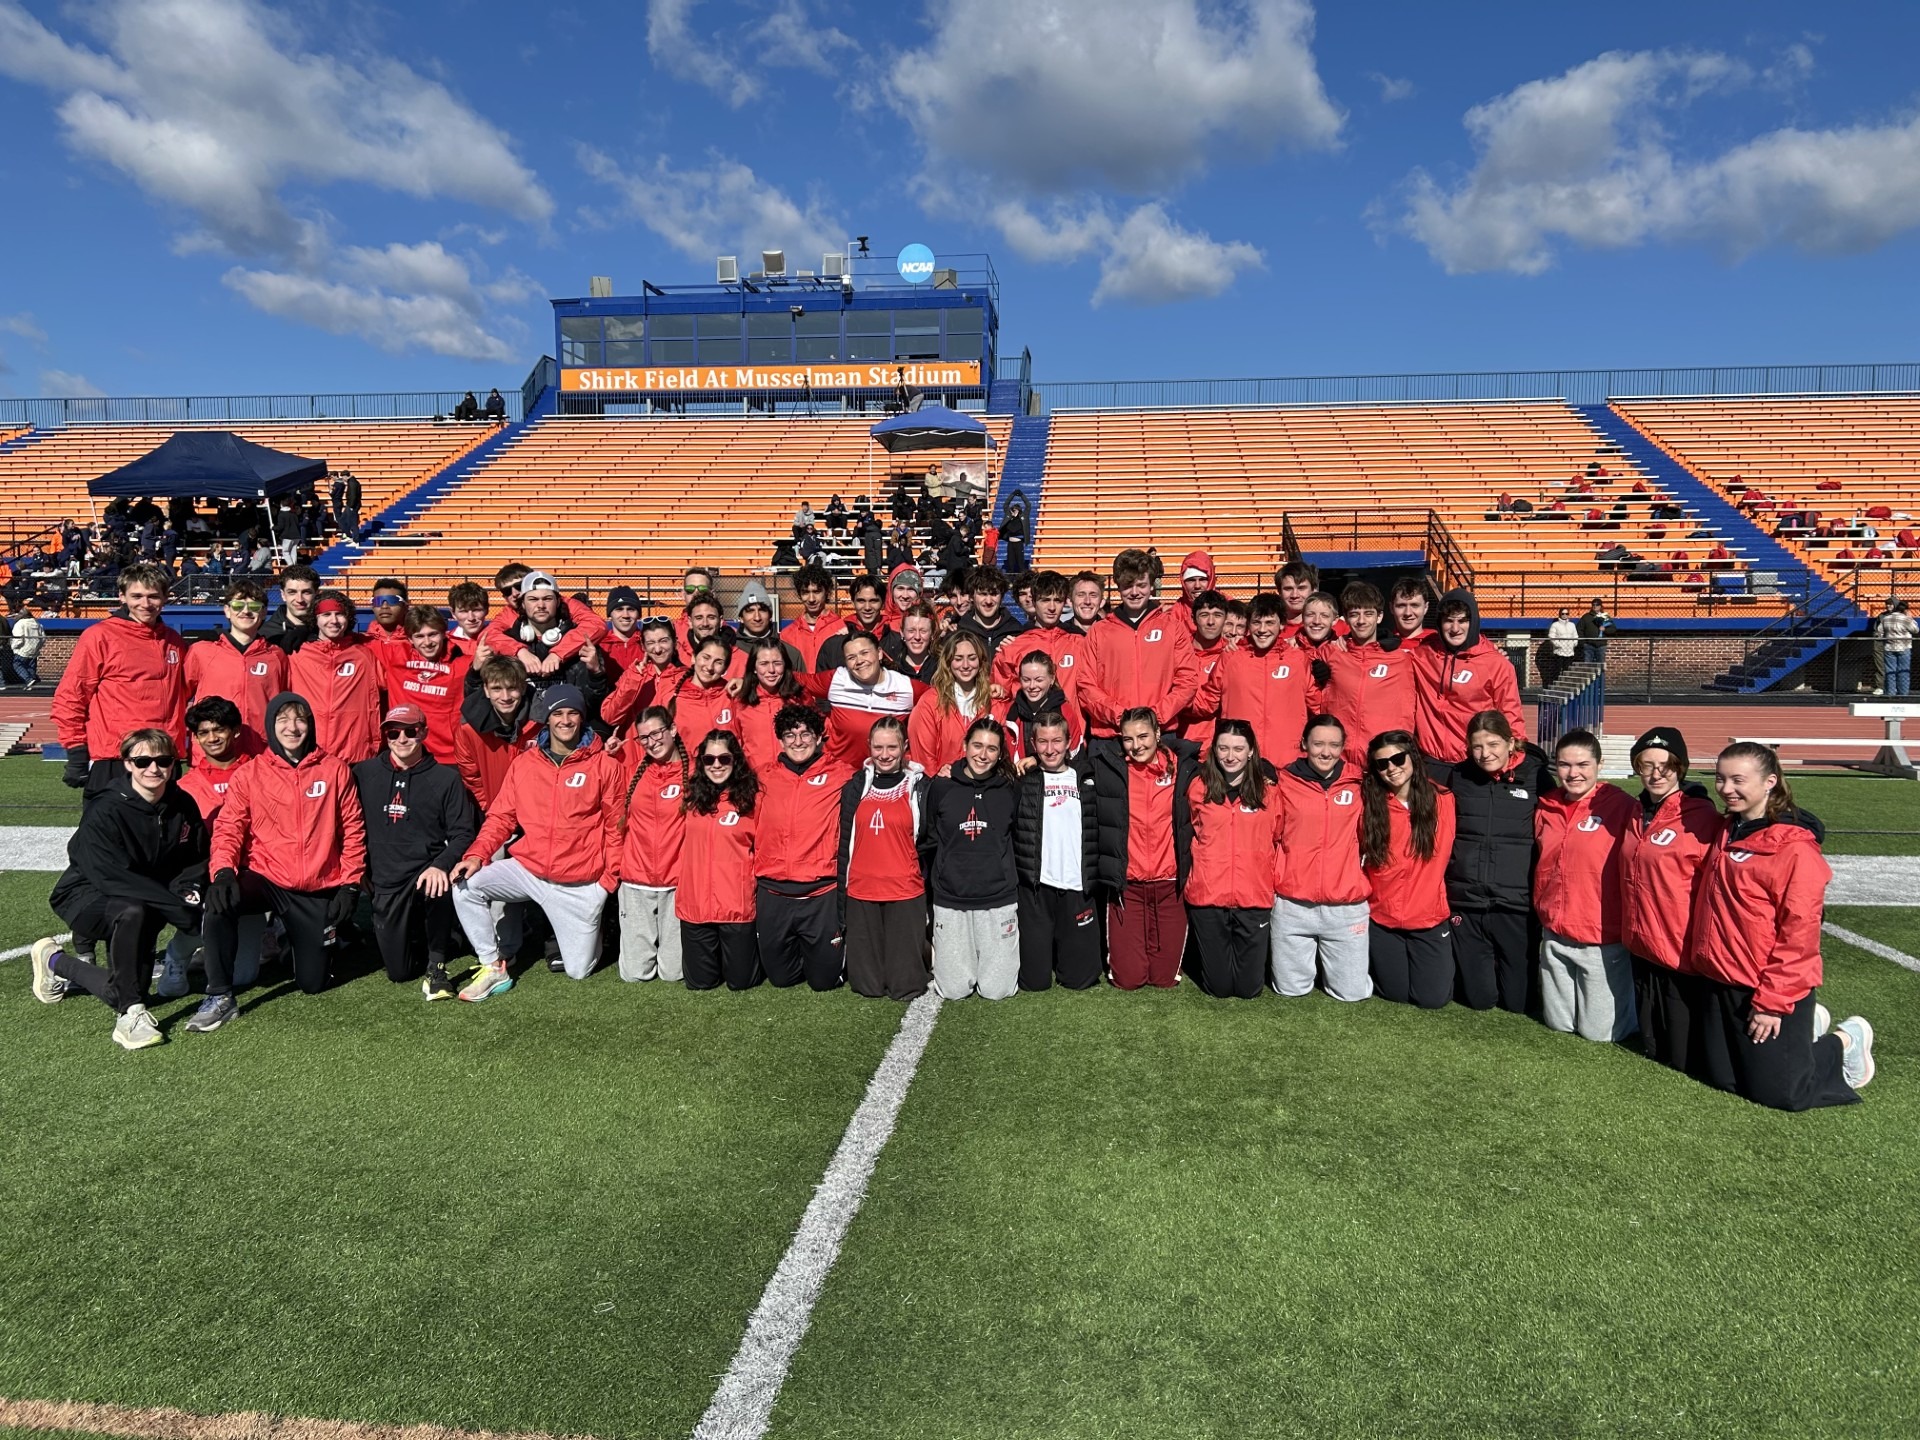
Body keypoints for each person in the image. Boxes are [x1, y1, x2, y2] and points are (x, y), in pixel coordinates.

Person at [1688, 743, 1874, 1109]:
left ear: (1770, 781)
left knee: (1783, 1094)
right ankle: (1806, 1031)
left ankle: (1845, 1040)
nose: (1726, 789)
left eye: (1738, 780)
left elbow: (1800, 935)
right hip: (1720, 975)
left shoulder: (1796, 849)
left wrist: (1773, 1002)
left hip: (1766, 985)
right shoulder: (1728, 829)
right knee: (1724, 1078)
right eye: (1721, 779)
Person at [28, 728, 209, 1050]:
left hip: (145, 897)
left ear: (173, 763)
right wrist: (175, 907)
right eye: (142, 761)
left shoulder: (182, 803)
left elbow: (195, 858)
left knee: (123, 987)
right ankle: (130, 1018)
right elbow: (111, 876)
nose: (153, 769)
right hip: (87, 896)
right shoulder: (106, 808)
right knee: (132, 911)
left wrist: (189, 891)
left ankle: (54, 962)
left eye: (163, 760)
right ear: (127, 763)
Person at [199, 692, 368, 1027]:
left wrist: (350, 885)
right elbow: (229, 827)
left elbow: (353, 830)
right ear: (270, 726)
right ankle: (219, 994)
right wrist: (222, 872)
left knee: (313, 984)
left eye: (300, 719)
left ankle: (292, 938)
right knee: (219, 902)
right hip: (267, 876)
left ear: (311, 724)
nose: (293, 728)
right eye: (283, 720)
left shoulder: (335, 770)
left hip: (315, 887)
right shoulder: (250, 774)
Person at [449, 685, 624, 999]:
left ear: (582, 718)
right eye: (558, 713)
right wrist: (476, 855)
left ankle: (591, 928)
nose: (566, 720)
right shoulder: (525, 763)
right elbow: (501, 816)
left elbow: (616, 827)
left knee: (578, 971)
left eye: (573, 713)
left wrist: (607, 883)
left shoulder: (605, 766)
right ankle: (493, 967)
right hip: (529, 870)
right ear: (547, 718)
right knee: (464, 886)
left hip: (579, 883)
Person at [352, 703, 478, 999]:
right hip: (384, 879)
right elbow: (346, 825)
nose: (402, 738)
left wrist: (441, 864)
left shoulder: (446, 778)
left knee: (439, 884)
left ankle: (437, 964)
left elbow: (463, 833)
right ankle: (441, 936)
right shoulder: (362, 773)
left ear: (423, 732)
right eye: (393, 732)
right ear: (385, 735)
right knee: (400, 972)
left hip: (425, 872)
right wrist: (357, 868)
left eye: (410, 731)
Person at [1620, 726, 1719, 1072]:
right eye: (1647, 765)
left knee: (1683, 1054)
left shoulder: (1701, 816)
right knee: (1653, 1045)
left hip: (1678, 944)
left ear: (1681, 767)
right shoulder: (1634, 811)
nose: (1656, 773)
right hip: (1640, 940)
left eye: (1666, 765)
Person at [1438, 710, 1549, 1013]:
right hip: (1468, 900)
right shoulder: (1458, 776)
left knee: (1518, 1003)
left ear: (1511, 743)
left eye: (1493, 744)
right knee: (1479, 1000)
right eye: (1477, 746)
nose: (1485, 754)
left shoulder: (1536, 777)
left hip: (1515, 904)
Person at [1534, 728, 1639, 1042]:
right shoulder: (1546, 806)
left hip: (1600, 934)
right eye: (1565, 765)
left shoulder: (1621, 806)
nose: (1573, 773)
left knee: (1598, 1033)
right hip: (1554, 929)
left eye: (1582, 765)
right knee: (1558, 1024)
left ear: (1599, 765)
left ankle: (1628, 1006)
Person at [51, 562, 188, 800]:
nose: (145, 604)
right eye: (137, 596)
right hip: (116, 759)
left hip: (164, 757)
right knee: (105, 836)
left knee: (163, 835)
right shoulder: (100, 636)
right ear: (121, 596)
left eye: (153, 596)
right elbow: (71, 696)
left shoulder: (174, 640)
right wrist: (76, 750)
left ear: (166, 597)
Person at [1269, 714, 1370, 1002]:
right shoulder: (1283, 782)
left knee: (1351, 994)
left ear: (1343, 747)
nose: (1326, 752)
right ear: (1304, 744)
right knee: (1289, 990)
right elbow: (1273, 834)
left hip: (1345, 905)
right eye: (1318, 744)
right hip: (1293, 904)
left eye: (1334, 745)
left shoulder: (1359, 782)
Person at [1093, 709, 1196, 990]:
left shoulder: (1184, 766)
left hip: (1169, 886)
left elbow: (1229, 764)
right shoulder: (1109, 767)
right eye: (1128, 739)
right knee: (1128, 980)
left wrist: (1268, 770)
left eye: (1143, 736)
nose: (1136, 745)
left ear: (1158, 734)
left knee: (1164, 980)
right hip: (1129, 888)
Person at [920, 716, 1021, 1000]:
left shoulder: (1010, 787)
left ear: (1000, 753)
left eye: (991, 749)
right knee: (952, 990)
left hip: (997, 897)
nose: (983, 754)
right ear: (964, 745)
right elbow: (929, 838)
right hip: (952, 899)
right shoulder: (941, 786)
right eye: (977, 745)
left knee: (997, 990)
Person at [751, 705, 852, 990]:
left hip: (820, 891)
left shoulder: (841, 774)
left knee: (824, 981)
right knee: (781, 980)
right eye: (789, 735)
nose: (798, 742)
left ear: (819, 736)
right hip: (774, 891)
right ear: (780, 740)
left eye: (805, 734)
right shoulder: (763, 777)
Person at [1178, 719, 1279, 1000]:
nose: (1230, 756)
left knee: (1249, 990)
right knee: (1219, 988)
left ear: (1251, 752)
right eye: (1223, 748)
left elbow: (1279, 836)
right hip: (1208, 896)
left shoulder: (1269, 792)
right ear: (1214, 750)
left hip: (1253, 897)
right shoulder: (1197, 787)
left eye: (1238, 748)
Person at [837, 717, 932, 1000]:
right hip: (862, 888)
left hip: (904, 888)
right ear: (869, 747)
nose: (885, 754)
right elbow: (845, 841)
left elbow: (928, 838)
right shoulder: (856, 786)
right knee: (868, 986)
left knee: (906, 985)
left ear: (905, 747)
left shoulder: (920, 786)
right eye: (878, 747)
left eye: (892, 747)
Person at [1360, 731, 1455, 1009]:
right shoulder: (1370, 804)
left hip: (1428, 917)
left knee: (1432, 999)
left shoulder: (1442, 800)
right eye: (1382, 763)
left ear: (1412, 757)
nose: (1392, 768)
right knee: (1395, 993)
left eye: (1398, 758)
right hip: (1383, 918)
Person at [1011, 712, 1101, 991]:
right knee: (1033, 981)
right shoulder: (1023, 781)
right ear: (1033, 744)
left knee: (1080, 980)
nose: (1050, 749)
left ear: (1068, 742)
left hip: (1076, 886)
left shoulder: (1087, 778)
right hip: (1037, 889)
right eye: (1043, 742)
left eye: (1057, 741)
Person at [1077, 548, 1200, 740]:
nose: (1134, 592)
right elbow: (1086, 685)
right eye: (1128, 585)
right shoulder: (1099, 632)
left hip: (1160, 732)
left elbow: (1187, 680)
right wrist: (1122, 716)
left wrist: (1154, 716)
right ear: (1117, 586)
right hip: (1111, 736)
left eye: (1141, 585)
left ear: (1152, 586)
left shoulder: (1173, 628)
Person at [676, 729, 761, 990]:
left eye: (724, 759)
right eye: (709, 759)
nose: (716, 765)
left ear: (735, 760)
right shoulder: (690, 799)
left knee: (741, 983)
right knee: (700, 983)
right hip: (696, 906)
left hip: (735, 905)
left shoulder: (753, 799)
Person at [616, 708, 689, 983]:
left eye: (657, 732)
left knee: (674, 973)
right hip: (636, 880)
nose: (651, 741)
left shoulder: (693, 771)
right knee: (634, 975)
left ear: (672, 730)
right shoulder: (632, 770)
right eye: (644, 737)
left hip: (676, 881)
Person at [1411, 589, 1525, 765]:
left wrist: (1513, 763)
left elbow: (1511, 717)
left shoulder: (1496, 664)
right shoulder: (1423, 655)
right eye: (1449, 621)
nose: (1455, 628)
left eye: (1462, 620)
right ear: (1439, 623)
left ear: (1473, 622)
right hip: (1430, 762)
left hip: (1474, 762)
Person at [1196, 592, 1311, 764]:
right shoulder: (1230, 657)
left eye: (1270, 623)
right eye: (1257, 622)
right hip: (1241, 761)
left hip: (1286, 759)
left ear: (1282, 624)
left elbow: (1319, 703)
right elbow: (1206, 701)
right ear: (1249, 625)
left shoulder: (1298, 660)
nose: (1262, 630)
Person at [1314, 581, 1417, 769]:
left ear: (1380, 616)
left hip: (1382, 762)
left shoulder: (1400, 659)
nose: (1361, 621)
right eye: (1354, 614)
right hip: (1339, 761)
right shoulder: (1331, 653)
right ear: (1346, 618)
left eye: (1368, 614)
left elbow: (1408, 711)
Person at [183, 579, 287, 753]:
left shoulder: (276, 656)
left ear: (263, 613)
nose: (246, 611)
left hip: (260, 750)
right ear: (227, 611)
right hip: (212, 751)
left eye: (254, 606)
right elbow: (181, 696)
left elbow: (281, 702)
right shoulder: (201, 651)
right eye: (238, 605)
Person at [803, 629, 926, 766]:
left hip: (885, 772)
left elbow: (941, 699)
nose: (859, 661)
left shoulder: (905, 687)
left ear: (879, 653)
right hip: (838, 771)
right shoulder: (836, 679)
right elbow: (794, 681)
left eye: (864, 653)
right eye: (851, 657)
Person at [288, 590, 384, 764]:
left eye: (339, 614)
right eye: (326, 615)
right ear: (315, 619)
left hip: (356, 754)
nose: (333, 620)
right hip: (310, 752)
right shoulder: (297, 654)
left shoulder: (365, 655)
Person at [380, 605, 470, 763]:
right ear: (410, 639)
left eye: (433, 634)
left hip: (449, 756)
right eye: (419, 636)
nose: (427, 642)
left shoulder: (464, 663)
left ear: (443, 634)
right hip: (407, 750)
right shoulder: (395, 657)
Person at [909, 630, 994, 771]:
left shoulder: (992, 701)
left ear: (980, 661)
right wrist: (937, 777)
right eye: (958, 658)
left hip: (984, 785)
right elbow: (923, 758)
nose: (965, 665)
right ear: (948, 662)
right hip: (944, 785)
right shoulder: (930, 702)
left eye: (972, 658)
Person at [735, 637, 815, 772]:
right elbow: (734, 744)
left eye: (777, 663)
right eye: (764, 663)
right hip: (755, 781)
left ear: (785, 665)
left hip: (793, 778)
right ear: (753, 667)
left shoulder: (799, 698)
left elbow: (820, 731)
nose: (771, 670)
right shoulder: (740, 701)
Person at [996, 651, 1086, 767]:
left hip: (1053, 780)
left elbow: (1077, 757)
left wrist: (1037, 760)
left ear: (1052, 679)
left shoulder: (1065, 711)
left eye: (1039, 680)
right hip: (1017, 780)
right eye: (1026, 680)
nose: (1032, 686)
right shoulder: (1010, 711)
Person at [782, 564, 846, 671]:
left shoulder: (842, 628)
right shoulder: (787, 634)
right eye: (805, 592)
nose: (811, 599)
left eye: (817, 592)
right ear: (799, 594)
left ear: (827, 592)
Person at [956, 565, 1028, 657]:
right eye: (983, 594)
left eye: (994, 594)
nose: (988, 601)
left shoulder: (1016, 632)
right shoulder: (959, 632)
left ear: (1002, 596)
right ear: (971, 597)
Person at [263, 563, 320, 653]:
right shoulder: (266, 634)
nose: (299, 599)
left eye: (306, 592)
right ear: (283, 595)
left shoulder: (326, 630)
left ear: (316, 593)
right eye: (292, 592)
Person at [1877, 600, 1915, 697]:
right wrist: (1911, 619)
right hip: (1904, 646)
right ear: (1905, 610)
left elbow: (1879, 631)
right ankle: (1903, 693)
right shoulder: (1906, 619)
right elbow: (1915, 630)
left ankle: (1890, 692)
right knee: (1903, 671)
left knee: (1890, 670)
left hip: (1889, 647)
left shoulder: (1886, 618)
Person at [364, 579, 411, 650]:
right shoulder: (362, 643)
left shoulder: (419, 643)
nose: (384, 606)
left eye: (392, 600)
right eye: (378, 601)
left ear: (405, 606)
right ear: (373, 607)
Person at [8, 601, 44, 688]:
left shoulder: (20, 624)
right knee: (30, 667)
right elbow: (43, 637)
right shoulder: (37, 623)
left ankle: (29, 680)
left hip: (23, 649)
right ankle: (30, 684)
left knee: (17, 664)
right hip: (34, 649)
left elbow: (18, 639)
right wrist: (38, 647)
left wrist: (13, 647)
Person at [1545, 607, 1579, 684]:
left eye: (1566, 613)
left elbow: (1575, 636)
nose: (1564, 615)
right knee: (1557, 671)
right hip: (1559, 652)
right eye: (1563, 613)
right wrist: (1559, 645)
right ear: (1560, 614)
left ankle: (1566, 685)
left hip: (1570, 652)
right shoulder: (1555, 625)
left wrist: (1574, 644)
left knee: (1567, 671)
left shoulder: (1572, 625)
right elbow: (1551, 636)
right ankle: (1556, 686)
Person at [1576, 597, 1614, 665]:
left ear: (1600, 606)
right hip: (1589, 646)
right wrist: (1583, 643)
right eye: (1593, 605)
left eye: (1597, 605)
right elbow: (1579, 629)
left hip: (1601, 646)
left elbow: (1613, 629)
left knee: (1601, 667)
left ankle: (1600, 676)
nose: (1595, 606)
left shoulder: (1605, 616)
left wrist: (1605, 629)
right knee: (1587, 666)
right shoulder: (1586, 617)